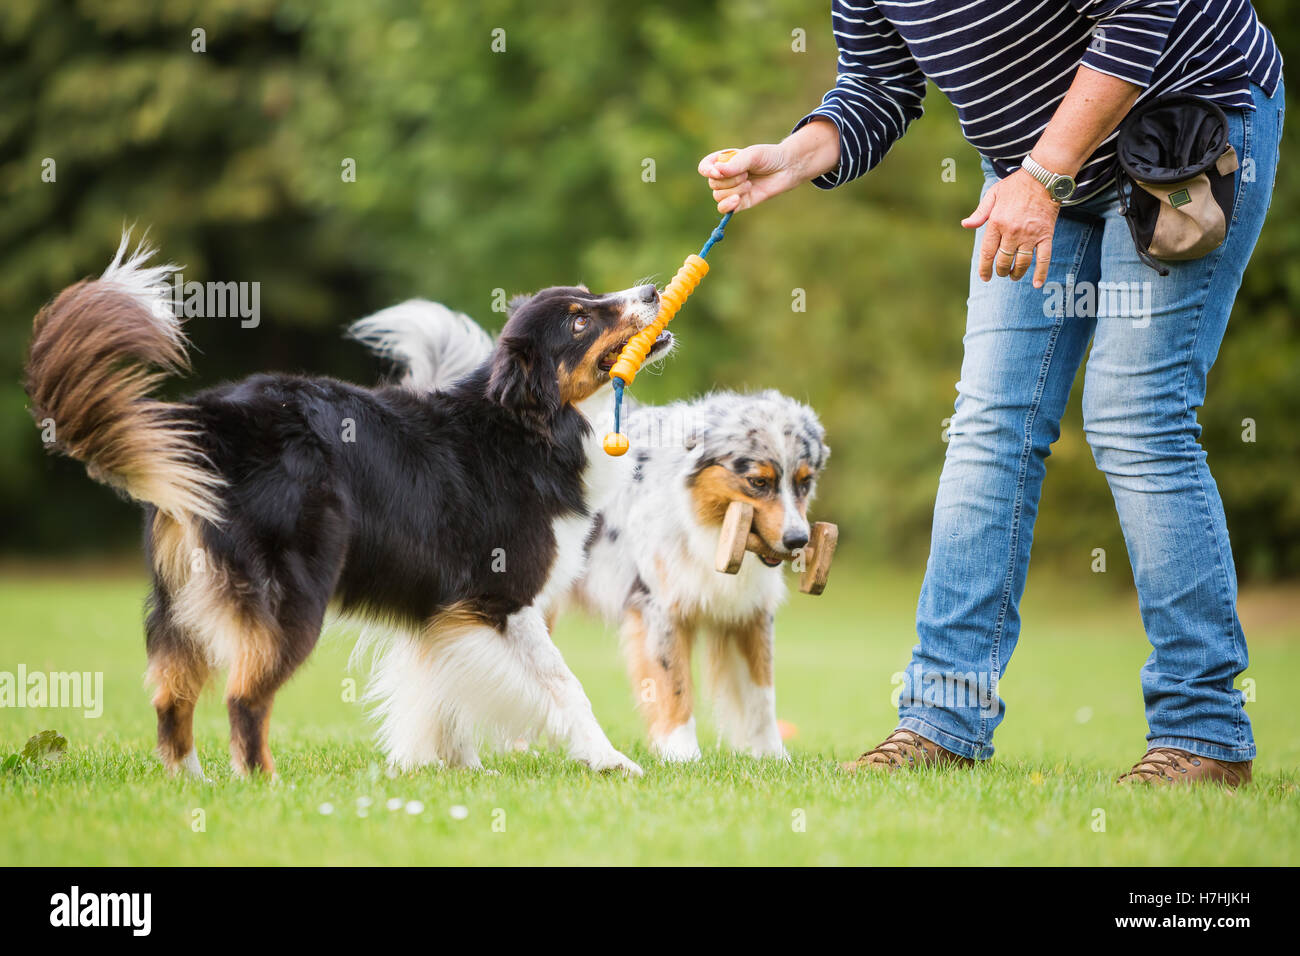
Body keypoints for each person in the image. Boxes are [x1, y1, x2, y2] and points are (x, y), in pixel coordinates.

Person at [700, 0, 1283, 787]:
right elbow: (877, 83)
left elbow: (1142, 14)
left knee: (1135, 418)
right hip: (1030, 169)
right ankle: (944, 719)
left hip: (1182, 131)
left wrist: (1044, 174)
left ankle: (1203, 731)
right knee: (986, 426)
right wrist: (796, 154)